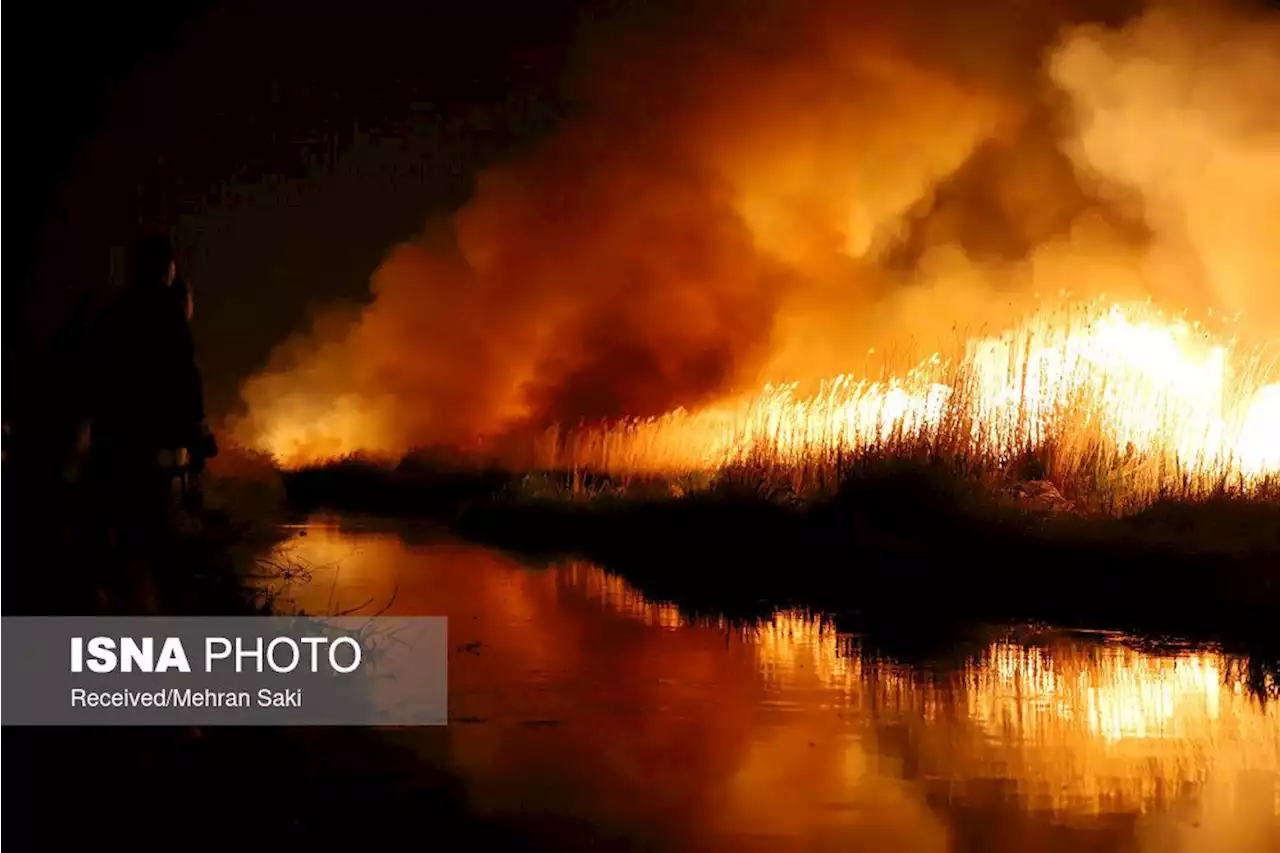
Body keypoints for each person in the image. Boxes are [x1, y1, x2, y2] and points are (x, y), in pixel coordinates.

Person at [86, 234, 214, 565]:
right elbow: (184, 379)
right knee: (147, 536)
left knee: (116, 537)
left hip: (110, 443)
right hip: (146, 448)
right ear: (165, 267)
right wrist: (200, 436)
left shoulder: (113, 312)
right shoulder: (166, 316)